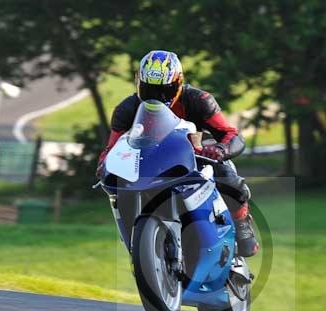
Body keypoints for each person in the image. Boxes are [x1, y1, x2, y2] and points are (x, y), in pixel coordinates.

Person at [98, 50, 258, 257]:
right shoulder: (126, 109)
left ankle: (241, 221)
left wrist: (220, 150)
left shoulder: (199, 100)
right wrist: (104, 164)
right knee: (118, 187)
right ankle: (137, 241)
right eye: (149, 90)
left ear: (179, 83)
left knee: (227, 177)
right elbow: (111, 148)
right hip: (150, 160)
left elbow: (230, 134)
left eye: (165, 91)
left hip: (196, 152)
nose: (157, 97)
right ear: (138, 84)